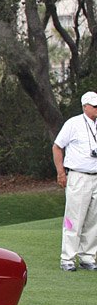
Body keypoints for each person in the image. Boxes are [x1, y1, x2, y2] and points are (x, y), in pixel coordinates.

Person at [52, 91, 97, 270]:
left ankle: (88, 256)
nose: (96, 109)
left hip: (96, 176)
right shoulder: (74, 123)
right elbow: (57, 146)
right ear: (85, 106)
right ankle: (67, 258)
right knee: (74, 218)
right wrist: (60, 172)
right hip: (79, 176)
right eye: (94, 106)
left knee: (93, 219)